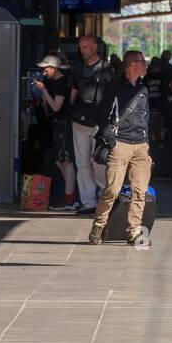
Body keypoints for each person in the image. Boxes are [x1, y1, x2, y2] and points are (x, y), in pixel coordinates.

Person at [89, 50, 152, 247]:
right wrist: (111, 139)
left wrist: (147, 147)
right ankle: (99, 224)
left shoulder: (143, 89)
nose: (145, 65)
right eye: (142, 62)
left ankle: (134, 231)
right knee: (112, 190)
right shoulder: (115, 87)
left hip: (140, 145)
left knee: (140, 191)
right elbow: (102, 114)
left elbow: (146, 118)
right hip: (120, 144)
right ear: (132, 64)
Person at [67, 35, 112, 215]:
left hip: (99, 123)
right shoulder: (77, 69)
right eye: (80, 47)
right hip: (79, 122)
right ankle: (88, 202)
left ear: (94, 47)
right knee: (82, 163)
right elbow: (72, 93)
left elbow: (111, 96)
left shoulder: (107, 69)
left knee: (99, 162)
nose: (82, 50)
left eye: (85, 46)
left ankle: (103, 198)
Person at [33, 54, 75, 211]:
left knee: (65, 160)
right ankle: (70, 193)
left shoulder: (60, 83)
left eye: (46, 69)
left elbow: (56, 106)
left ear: (54, 68)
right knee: (60, 160)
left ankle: (70, 196)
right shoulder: (52, 82)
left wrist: (43, 90)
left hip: (64, 123)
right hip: (58, 123)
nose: (43, 73)